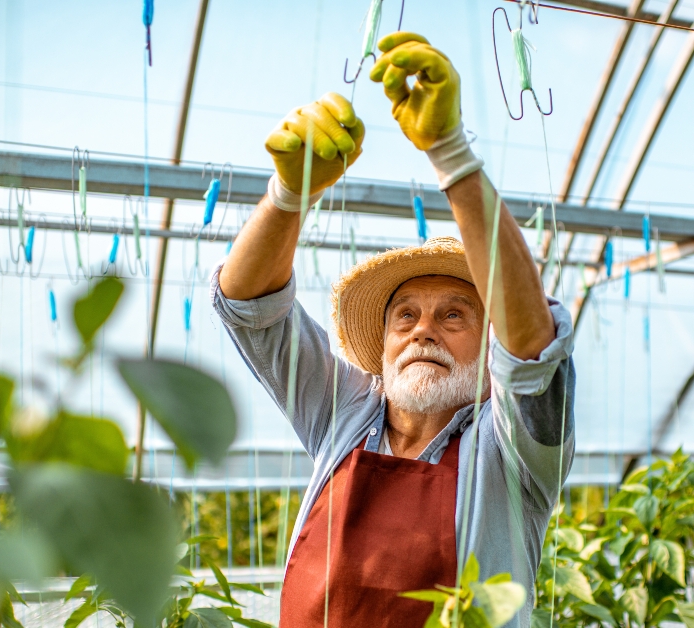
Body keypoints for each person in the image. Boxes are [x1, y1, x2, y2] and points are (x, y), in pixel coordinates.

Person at [211, 32, 575, 628]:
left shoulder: (510, 453)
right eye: (405, 315)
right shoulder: (342, 414)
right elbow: (249, 307)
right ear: (382, 346)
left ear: (491, 348)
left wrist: (451, 153)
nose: (423, 330)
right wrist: (288, 195)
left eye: (453, 315)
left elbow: (533, 355)